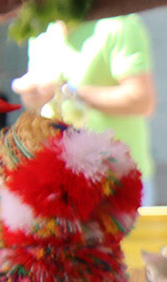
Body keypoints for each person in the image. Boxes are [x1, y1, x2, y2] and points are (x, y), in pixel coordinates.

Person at [13, 16, 157, 187]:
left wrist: (70, 91)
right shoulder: (40, 30)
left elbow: (142, 100)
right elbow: (39, 102)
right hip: (58, 176)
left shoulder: (118, 25)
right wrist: (32, 96)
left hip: (116, 179)